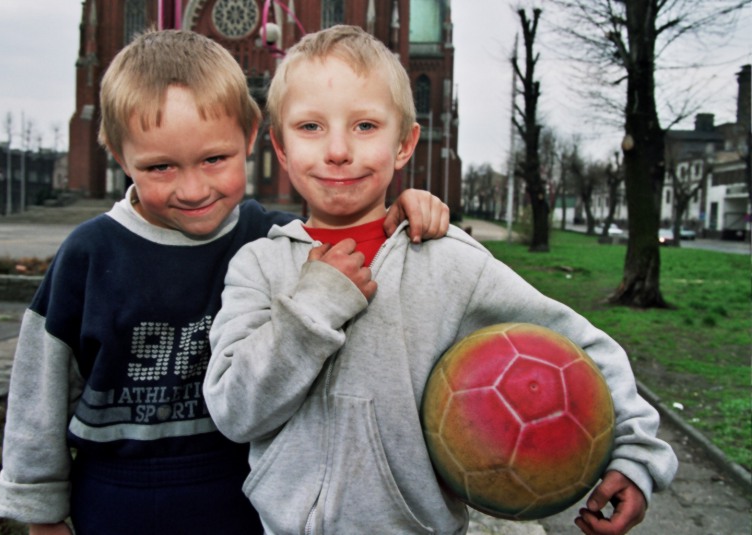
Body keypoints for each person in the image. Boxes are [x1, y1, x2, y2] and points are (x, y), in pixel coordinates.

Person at [203, 25, 678, 535]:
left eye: (365, 126)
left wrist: (635, 452)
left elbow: (579, 345)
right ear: (279, 145)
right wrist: (312, 309)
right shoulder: (258, 266)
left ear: (405, 144)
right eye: (310, 127)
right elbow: (235, 412)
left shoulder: (446, 259)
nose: (338, 150)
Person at [0, 29, 450, 535]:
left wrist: (406, 213)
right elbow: (39, 392)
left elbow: (354, 248)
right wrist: (42, 514)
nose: (193, 189)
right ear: (120, 156)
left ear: (251, 137)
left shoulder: (273, 238)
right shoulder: (90, 254)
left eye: (214, 159)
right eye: (160, 166)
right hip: (116, 504)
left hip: (244, 501)